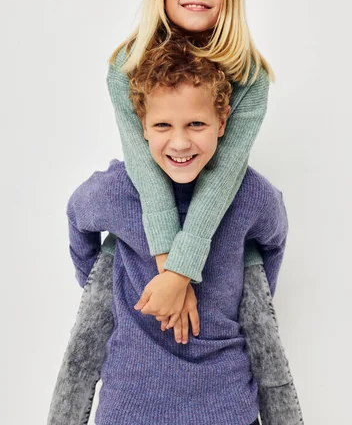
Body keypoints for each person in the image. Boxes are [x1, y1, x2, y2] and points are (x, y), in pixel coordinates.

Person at [61, 37, 301, 425]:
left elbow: (274, 241)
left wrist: (244, 293)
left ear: (222, 123)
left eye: (196, 124)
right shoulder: (117, 189)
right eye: (162, 125)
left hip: (226, 404)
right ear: (141, 125)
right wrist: (105, 283)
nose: (180, 141)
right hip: (130, 404)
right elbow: (77, 218)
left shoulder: (251, 195)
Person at [106, 0, 276, 334]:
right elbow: (144, 171)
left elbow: (222, 176)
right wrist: (168, 270)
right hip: (157, 198)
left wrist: (181, 274)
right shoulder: (124, 66)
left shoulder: (250, 77)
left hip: (214, 205)